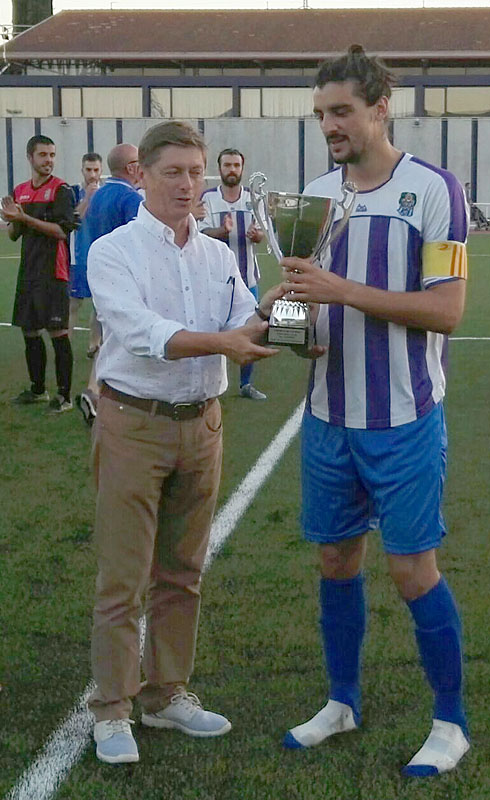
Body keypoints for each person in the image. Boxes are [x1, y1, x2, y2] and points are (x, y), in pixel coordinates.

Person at [279, 45, 470, 777]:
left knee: (413, 569)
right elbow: (307, 297)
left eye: (342, 112)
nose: (329, 125)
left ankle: (449, 720)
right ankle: (342, 700)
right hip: (328, 414)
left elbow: (447, 310)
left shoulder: (433, 189)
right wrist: (288, 320)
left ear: (380, 107)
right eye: (321, 113)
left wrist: (340, 290)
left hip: (403, 417)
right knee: (335, 560)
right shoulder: (317, 192)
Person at [86, 120, 282, 764]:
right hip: (133, 424)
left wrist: (277, 306)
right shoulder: (113, 251)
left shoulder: (218, 255)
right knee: (124, 577)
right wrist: (227, 342)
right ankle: (113, 708)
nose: (189, 184)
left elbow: (241, 320)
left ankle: (166, 693)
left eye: (196, 172)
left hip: (203, 424)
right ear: (141, 175)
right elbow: (143, 330)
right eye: (174, 172)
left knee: (183, 573)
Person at [1, 135, 76, 412]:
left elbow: (61, 231)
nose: (49, 161)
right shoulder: (20, 191)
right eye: (43, 155)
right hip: (28, 272)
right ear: (30, 157)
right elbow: (12, 236)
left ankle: (65, 396)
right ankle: (37, 390)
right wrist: (12, 220)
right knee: (30, 331)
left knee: (58, 332)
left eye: (52, 155)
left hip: (52, 273)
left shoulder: (61, 190)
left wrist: (24, 218)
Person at [75, 143, 142, 426]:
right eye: (139, 162)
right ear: (131, 168)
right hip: (124, 277)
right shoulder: (131, 199)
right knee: (126, 338)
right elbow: (140, 242)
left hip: (100, 272)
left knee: (108, 334)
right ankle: (103, 393)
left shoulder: (98, 195)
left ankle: (95, 392)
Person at [200, 148, 267, 400]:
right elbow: (201, 234)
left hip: (247, 278)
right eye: (227, 165)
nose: (231, 170)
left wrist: (256, 235)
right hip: (214, 280)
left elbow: (263, 234)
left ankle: (246, 384)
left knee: (251, 329)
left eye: (236, 165)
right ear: (220, 169)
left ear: (242, 168)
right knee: (210, 330)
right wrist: (222, 231)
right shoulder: (208, 199)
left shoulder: (254, 199)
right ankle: (209, 385)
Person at [68, 152, 103, 357]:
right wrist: (88, 198)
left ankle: (94, 344)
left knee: (99, 304)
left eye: (96, 170)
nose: (92, 174)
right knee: (74, 303)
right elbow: (73, 219)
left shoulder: (106, 193)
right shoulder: (73, 192)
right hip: (78, 255)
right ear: (82, 170)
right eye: (88, 170)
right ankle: (65, 346)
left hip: (101, 256)